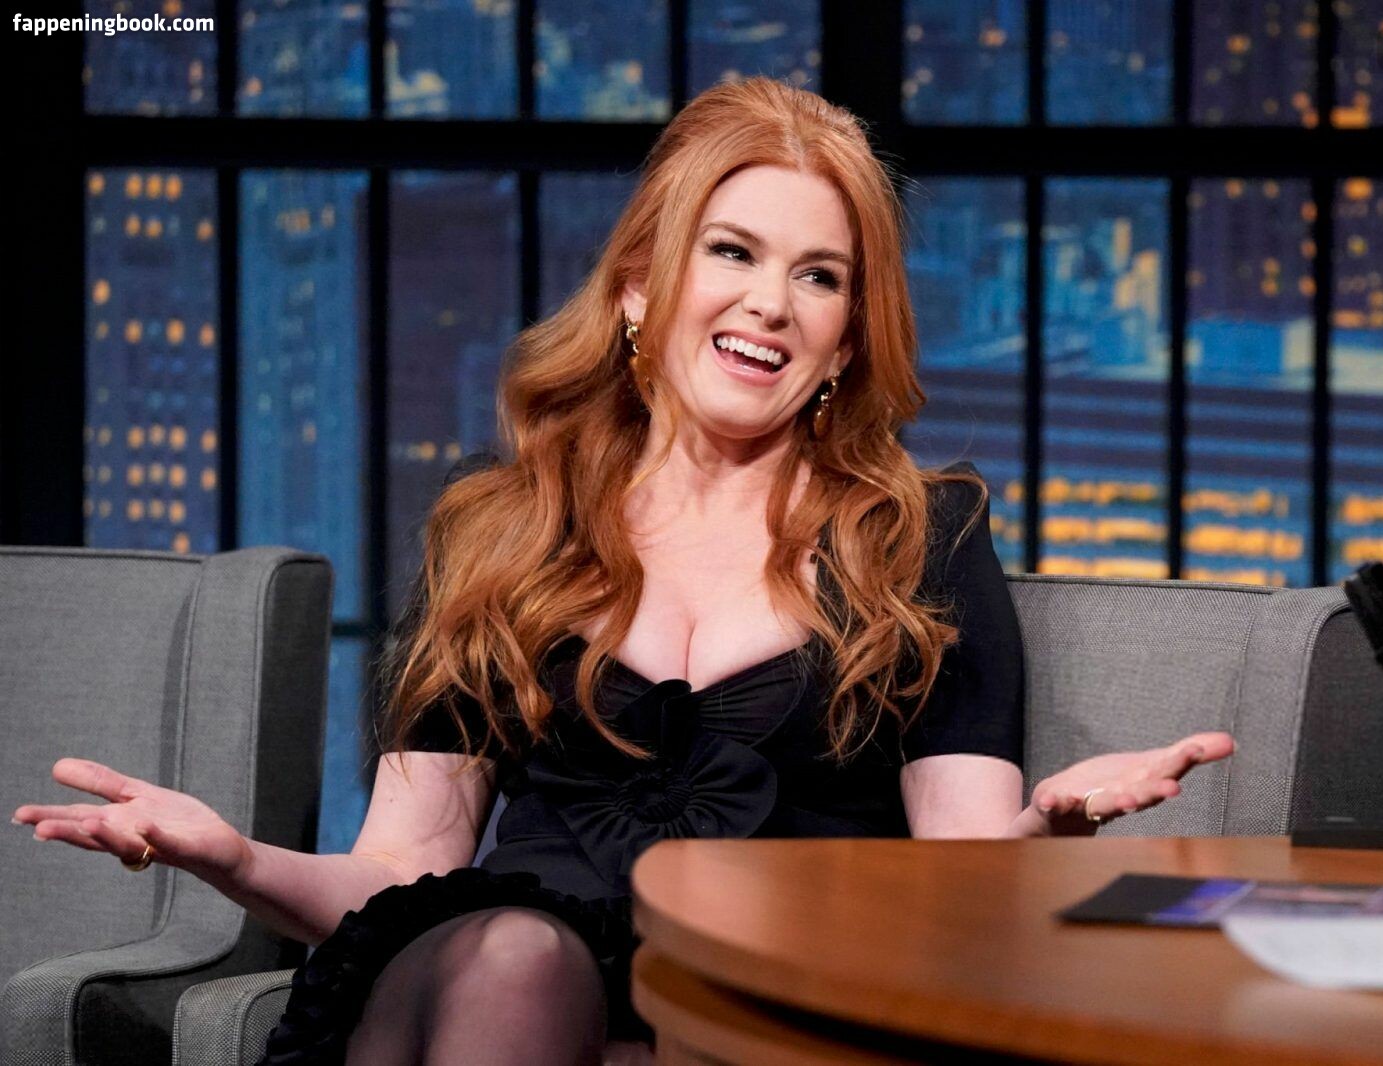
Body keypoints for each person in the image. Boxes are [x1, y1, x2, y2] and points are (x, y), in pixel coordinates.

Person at [13, 77, 1233, 1065]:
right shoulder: (499, 525)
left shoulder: (920, 535)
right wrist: (230, 858)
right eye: (733, 251)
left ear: (846, 340)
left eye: (819, 275)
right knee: (514, 959)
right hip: (491, 976)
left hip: (768, 995)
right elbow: (401, 875)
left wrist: (1043, 829)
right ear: (644, 286)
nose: (771, 303)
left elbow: (957, 877)